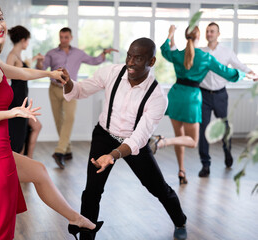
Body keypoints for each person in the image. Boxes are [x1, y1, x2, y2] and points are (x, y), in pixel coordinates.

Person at [0, 2, 102, 239]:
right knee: (0, 230)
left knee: (39, 171)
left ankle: (76, 220)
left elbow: (21, 72)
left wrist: (50, 73)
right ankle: (76, 220)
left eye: (0, 19)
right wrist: (12, 113)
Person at [62, 38, 188, 240]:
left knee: (157, 188)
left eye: (138, 58)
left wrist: (113, 155)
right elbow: (80, 90)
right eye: (129, 55)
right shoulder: (111, 72)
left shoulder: (157, 97)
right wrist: (68, 83)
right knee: (92, 190)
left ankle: (180, 220)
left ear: (152, 61)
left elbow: (139, 136)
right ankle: (86, 237)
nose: (130, 62)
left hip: (133, 142)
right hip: (104, 135)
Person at [153, 25, 253, 185]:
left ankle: (181, 170)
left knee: (181, 137)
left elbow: (165, 51)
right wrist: (244, 74)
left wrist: (170, 34)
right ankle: (164, 141)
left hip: (175, 95)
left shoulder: (179, 54)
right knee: (192, 141)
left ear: (187, 38)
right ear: (199, 37)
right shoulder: (205, 57)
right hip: (191, 98)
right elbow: (226, 72)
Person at [36, 27, 118, 169]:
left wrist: (104, 53)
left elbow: (94, 61)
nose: (63, 40)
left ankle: (59, 152)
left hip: (70, 88)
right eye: (61, 37)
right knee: (59, 120)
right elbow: (42, 68)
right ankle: (67, 150)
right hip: (54, 89)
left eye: (66, 37)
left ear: (71, 38)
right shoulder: (51, 53)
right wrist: (39, 61)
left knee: (69, 118)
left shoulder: (78, 53)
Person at [198, 22, 255, 177]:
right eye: (207, 31)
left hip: (220, 95)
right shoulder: (200, 52)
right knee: (203, 130)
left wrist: (253, 74)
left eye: (212, 31)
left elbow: (240, 66)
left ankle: (227, 152)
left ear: (218, 34)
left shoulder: (226, 52)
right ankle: (205, 165)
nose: (209, 33)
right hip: (203, 95)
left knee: (224, 127)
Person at [6, 25, 43, 158]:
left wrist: (34, 60)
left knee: (36, 127)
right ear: (23, 40)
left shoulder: (18, 56)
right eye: (27, 40)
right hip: (16, 100)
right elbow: (8, 76)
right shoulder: (12, 56)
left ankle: (29, 161)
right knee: (18, 138)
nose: (28, 43)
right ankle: (23, 166)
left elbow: (23, 70)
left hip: (22, 99)